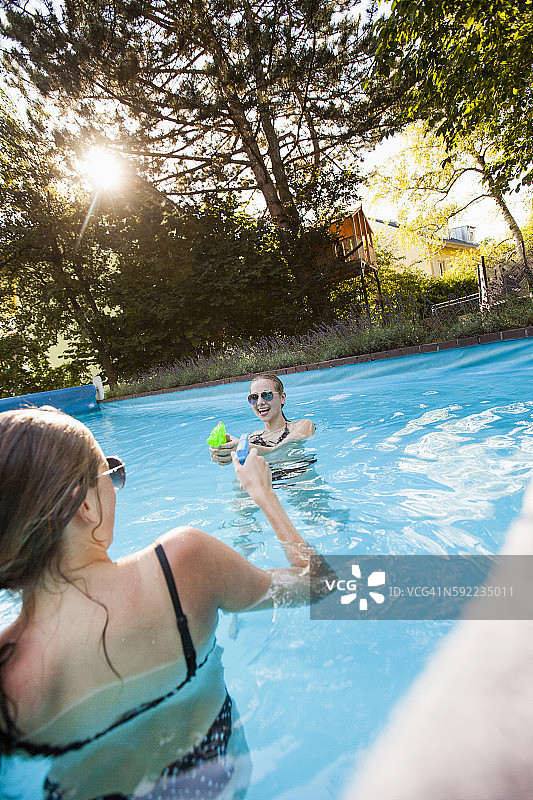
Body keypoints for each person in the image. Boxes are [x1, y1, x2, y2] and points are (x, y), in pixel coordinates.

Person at [0, 406, 331, 799]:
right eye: (110, 473)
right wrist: (263, 494)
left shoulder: (8, 680)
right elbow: (318, 584)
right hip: (214, 782)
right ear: (84, 504)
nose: (114, 485)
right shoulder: (181, 565)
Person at [210, 372, 315, 466]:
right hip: (266, 482)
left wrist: (245, 448)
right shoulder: (252, 438)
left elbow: (283, 451)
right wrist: (226, 453)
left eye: (267, 395)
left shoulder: (303, 425)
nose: (260, 402)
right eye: (254, 397)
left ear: (282, 398)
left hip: (299, 480)